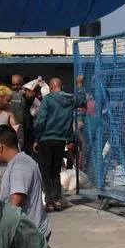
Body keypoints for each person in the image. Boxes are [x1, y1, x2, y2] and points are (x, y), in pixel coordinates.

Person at [33, 75, 85, 213]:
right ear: (61, 87)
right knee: (56, 171)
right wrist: (79, 85)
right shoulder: (70, 99)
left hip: (45, 139)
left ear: (50, 88)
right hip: (61, 139)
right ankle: (57, 200)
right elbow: (83, 101)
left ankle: (49, 201)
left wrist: (36, 139)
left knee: (45, 171)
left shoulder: (48, 100)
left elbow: (40, 121)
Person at [0, 123, 50, 239]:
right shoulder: (21, 161)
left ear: (0, 147)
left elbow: (16, 202)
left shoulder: (20, 165)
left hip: (29, 236)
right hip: (29, 232)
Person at [8, 73, 35, 150]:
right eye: (13, 85)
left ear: (22, 83)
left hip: (23, 129)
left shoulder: (24, 93)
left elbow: (31, 96)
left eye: (18, 84)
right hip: (9, 128)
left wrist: (26, 91)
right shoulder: (7, 93)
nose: (15, 86)